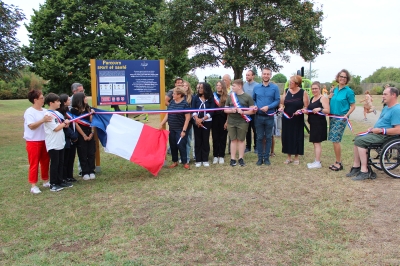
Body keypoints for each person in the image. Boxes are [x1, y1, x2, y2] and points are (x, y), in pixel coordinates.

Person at [347, 87, 400, 180]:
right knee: (358, 138)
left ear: (394, 95)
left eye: (385, 94)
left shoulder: (397, 110)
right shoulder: (386, 108)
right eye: (383, 94)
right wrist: (373, 128)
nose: (382, 96)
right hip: (379, 133)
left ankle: (365, 170)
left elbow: (398, 130)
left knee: (361, 141)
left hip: (387, 136)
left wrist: (381, 130)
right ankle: (356, 166)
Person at [23, 89, 52, 194]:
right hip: (33, 141)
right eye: (41, 98)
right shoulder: (29, 112)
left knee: (45, 161)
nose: (43, 99)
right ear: (35, 100)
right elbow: (31, 126)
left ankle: (45, 180)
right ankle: (33, 185)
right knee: (34, 163)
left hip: (45, 140)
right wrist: (42, 120)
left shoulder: (45, 111)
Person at [44, 93, 73, 192]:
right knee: (55, 163)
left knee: (61, 162)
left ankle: (60, 180)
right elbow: (56, 128)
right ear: (51, 103)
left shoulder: (58, 113)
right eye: (57, 101)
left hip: (60, 141)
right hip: (53, 142)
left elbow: (62, 125)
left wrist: (65, 124)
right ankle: (53, 183)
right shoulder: (48, 115)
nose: (59, 103)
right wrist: (64, 123)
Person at [327, 69, 356, 171]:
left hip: (341, 118)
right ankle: (337, 161)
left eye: (344, 77)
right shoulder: (334, 90)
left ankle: (339, 163)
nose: (342, 79)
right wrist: (329, 97)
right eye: (341, 76)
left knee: (335, 140)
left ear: (347, 79)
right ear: (338, 77)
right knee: (333, 140)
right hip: (332, 117)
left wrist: (346, 115)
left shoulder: (349, 91)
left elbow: (353, 106)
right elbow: (330, 101)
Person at [278, 75, 309, 165]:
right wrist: (281, 107)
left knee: (297, 136)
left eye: (291, 82)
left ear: (296, 84)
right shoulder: (286, 91)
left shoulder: (303, 92)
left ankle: (296, 157)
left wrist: (300, 110)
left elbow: (306, 106)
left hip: (297, 118)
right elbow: (282, 103)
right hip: (287, 118)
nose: (289, 83)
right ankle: (288, 157)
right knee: (287, 136)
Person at [224, 79, 255, 167]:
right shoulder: (230, 96)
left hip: (242, 122)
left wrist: (243, 112)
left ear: (239, 86)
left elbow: (253, 111)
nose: (232, 87)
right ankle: (232, 159)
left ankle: (241, 158)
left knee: (241, 140)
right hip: (232, 121)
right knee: (233, 140)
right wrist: (231, 110)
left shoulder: (248, 97)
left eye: (234, 86)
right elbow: (225, 110)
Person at [253, 68, 280, 166]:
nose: (266, 75)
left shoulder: (274, 88)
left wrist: (268, 107)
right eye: (264, 74)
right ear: (262, 75)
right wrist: (256, 105)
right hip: (259, 116)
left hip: (269, 116)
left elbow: (277, 100)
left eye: (268, 74)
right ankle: (260, 158)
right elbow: (253, 99)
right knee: (259, 137)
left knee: (268, 137)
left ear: (270, 75)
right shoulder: (256, 87)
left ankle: (267, 158)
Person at [160, 87, 191, 169]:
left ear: (179, 95)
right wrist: (162, 123)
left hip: (180, 128)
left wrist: (184, 130)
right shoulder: (172, 102)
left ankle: (185, 162)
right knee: (173, 145)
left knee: (181, 145)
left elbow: (187, 118)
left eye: (174, 93)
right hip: (172, 128)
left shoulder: (185, 104)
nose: (172, 95)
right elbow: (168, 114)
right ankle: (175, 161)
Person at [301, 81, 330, 169]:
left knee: (317, 143)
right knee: (315, 143)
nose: (314, 90)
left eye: (316, 88)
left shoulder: (323, 98)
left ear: (319, 89)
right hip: (313, 123)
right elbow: (311, 111)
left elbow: (327, 110)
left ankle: (317, 162)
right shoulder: (312, 98)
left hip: (319, 124)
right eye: (312, 89)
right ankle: (317, 160)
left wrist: (320, 108)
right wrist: (306, 112)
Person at [70, 92, 96, 180]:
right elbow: (76, 123)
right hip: (81, 133)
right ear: (80, 99)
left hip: (90, 131)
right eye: (84, 97)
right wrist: (84, 135)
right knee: (82, 153)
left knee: (91, 152)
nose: (86, 99)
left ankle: (92, 170)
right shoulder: (73, 110)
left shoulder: (89, 109)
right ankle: (85, 172)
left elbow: (92, 122)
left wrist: (92, 133)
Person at [192, 82, 215, 167]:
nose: (200, 89)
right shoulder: (195, 98)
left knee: (205, 140)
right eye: (199, 88)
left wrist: (202, 119)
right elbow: (193, 109)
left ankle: (205, 159)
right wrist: (197, 119)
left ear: (206, 89)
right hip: (197, 122)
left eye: (202, 88)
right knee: (198, 140)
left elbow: (212, 111)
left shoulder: (210, 98)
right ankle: (198, 160)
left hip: (207, 121)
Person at [58, 94, 78, 182]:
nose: (70, 101)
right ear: (64, 102)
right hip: (66, 138)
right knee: (65, 159)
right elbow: (65, 127)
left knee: (71, 158)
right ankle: (64, 177)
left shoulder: (69, 111)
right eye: (68, 100)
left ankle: (70, 175)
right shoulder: (61, 113)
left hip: (71, 139)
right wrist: (73, 135)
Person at [211, 80, 228, 164]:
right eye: (217, 85)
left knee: (223, 137)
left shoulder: (227, 97)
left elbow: (228, 110)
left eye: (220, 85)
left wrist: (227, 122)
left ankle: (221, 155)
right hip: (214, 119)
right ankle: (215, 155)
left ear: (223, 87)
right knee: (215, 137)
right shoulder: (212, 96)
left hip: (223, 119)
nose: (218, 86)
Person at [243, 69, 259, 153]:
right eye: (246, 75)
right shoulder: (244, 86)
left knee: (255, 129)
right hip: (246, 111)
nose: (247, 76)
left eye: (248, 75)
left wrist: (255, 107)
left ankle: (256, 147)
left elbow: (258, 98)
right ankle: (248, 147)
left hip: (254, 111)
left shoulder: (257, 86)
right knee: (247, 129)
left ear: (253, 76)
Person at [182, 81, 194, 163]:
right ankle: (182, 157)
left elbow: (193, 110)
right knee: (181, 140)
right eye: (183, 85)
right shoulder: (179, 97)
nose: (185, 87)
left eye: (186, 85)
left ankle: (187, 158)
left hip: (189, 122)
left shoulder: (192, 97)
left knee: (188, 141)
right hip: (180, 121)